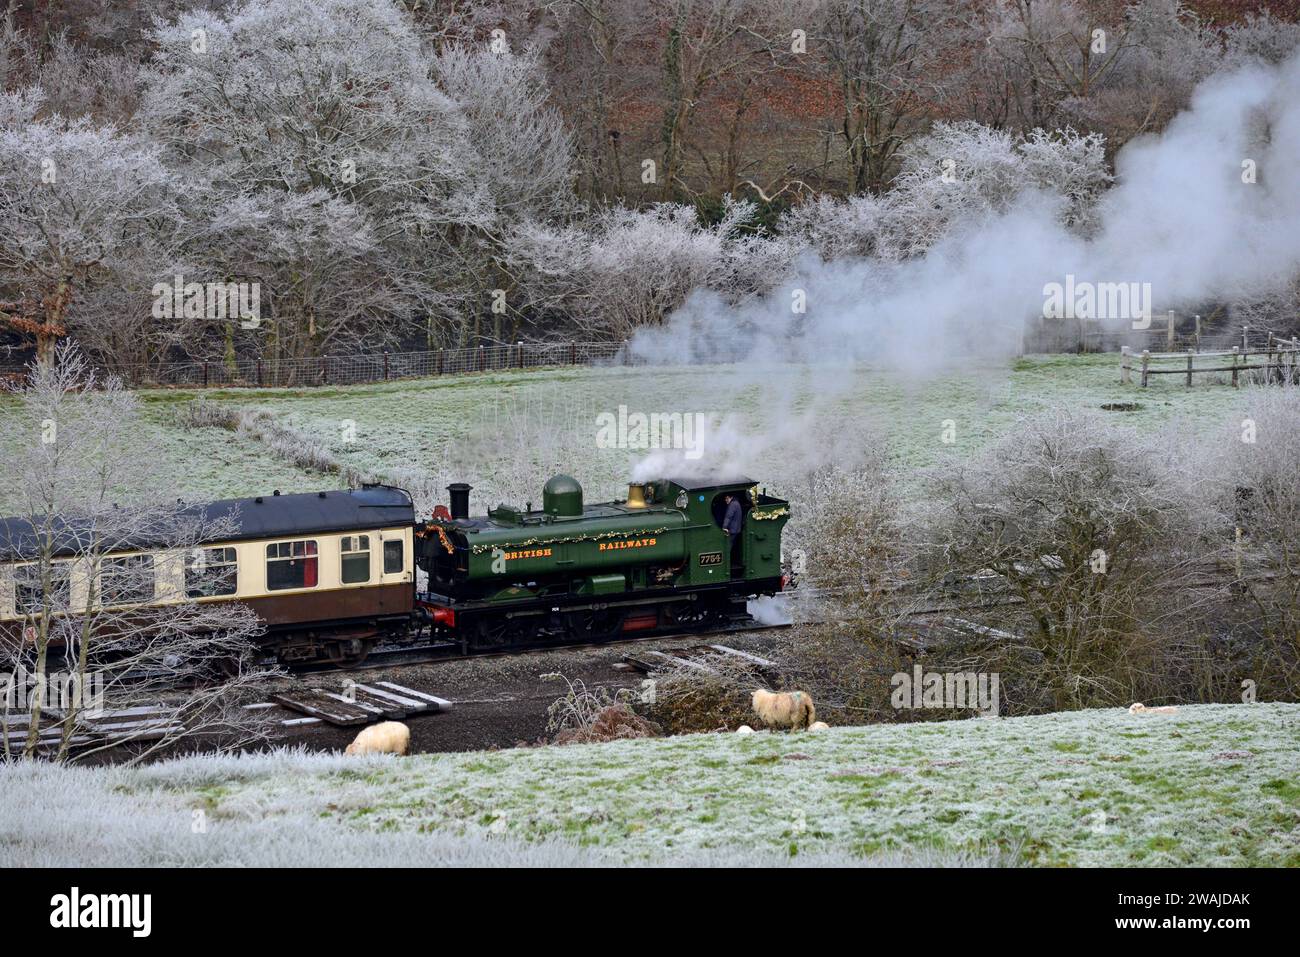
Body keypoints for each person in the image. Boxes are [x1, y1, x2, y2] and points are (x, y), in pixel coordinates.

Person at [722, 492, 743, 570]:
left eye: (726, 498)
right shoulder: (736, 503)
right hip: (736, 529)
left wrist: (724, 527)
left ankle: (726, 564)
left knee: (728, 547)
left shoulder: (732, 505)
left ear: (730, 497)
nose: (725, 500)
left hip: (732, 530)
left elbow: (728, 517)